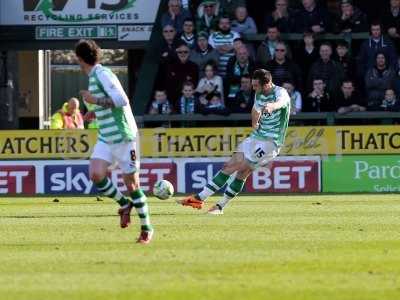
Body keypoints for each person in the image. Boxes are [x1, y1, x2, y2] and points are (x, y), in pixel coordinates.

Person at [177, 69, 290, 214]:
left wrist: (271, 106)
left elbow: (280, 103)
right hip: (256, 137)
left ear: (267, 84)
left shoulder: (281, 93)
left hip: (270, 142)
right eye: (253, 85)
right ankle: (218, 207)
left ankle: (200, 198)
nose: (253, 88)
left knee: (239, 167)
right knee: (232, 167)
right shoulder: (259, 93)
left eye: (256, 86)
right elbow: (255, 109)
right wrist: (255, 123)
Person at [75, 39, 153, 244]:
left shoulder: (102, 74)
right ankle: (124, 204)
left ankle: (147, 229)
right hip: (106, 135)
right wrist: (95, 112)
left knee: (132, 184)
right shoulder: (94, 77)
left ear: (81, 59)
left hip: (123, 135)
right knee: (96, 173)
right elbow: (108, 104)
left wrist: (95, 101)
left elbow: (121, 100)